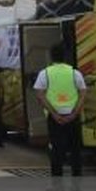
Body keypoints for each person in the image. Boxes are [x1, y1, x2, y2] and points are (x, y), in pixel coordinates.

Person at [33, 45, 86, 178]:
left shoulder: (45, 73)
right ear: (66, 57)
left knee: (57, 148)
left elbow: (39, 95)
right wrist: (74, 113)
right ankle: (77, 175)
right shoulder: (74, 73)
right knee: (75, 148)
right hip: (73, 116)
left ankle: (57, 177)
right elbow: (83, 94)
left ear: (51, 57)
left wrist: (54, 113)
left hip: (54, 117)